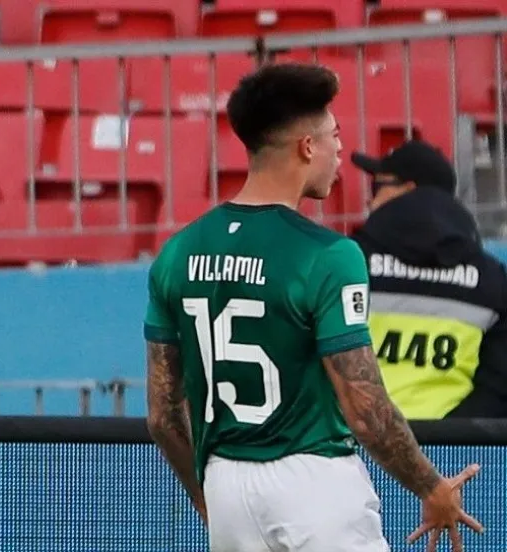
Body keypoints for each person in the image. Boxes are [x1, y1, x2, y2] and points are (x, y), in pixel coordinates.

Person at [143, 63, 484, 551]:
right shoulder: (328, 255)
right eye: (335, 137)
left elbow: (161, 414)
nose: (340, 152)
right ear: (307, 147)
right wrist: (432, 487)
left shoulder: (177, 253)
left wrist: (207, 495)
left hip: (225, 480)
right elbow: (366, 410)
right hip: (313, 484)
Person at [351, 140, 507, 419]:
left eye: (377, 188)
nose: (369, 200)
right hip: (456, 451)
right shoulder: (490, 276)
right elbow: (498, 387)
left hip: (356, 445)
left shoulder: (351, 262)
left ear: (408, 190)